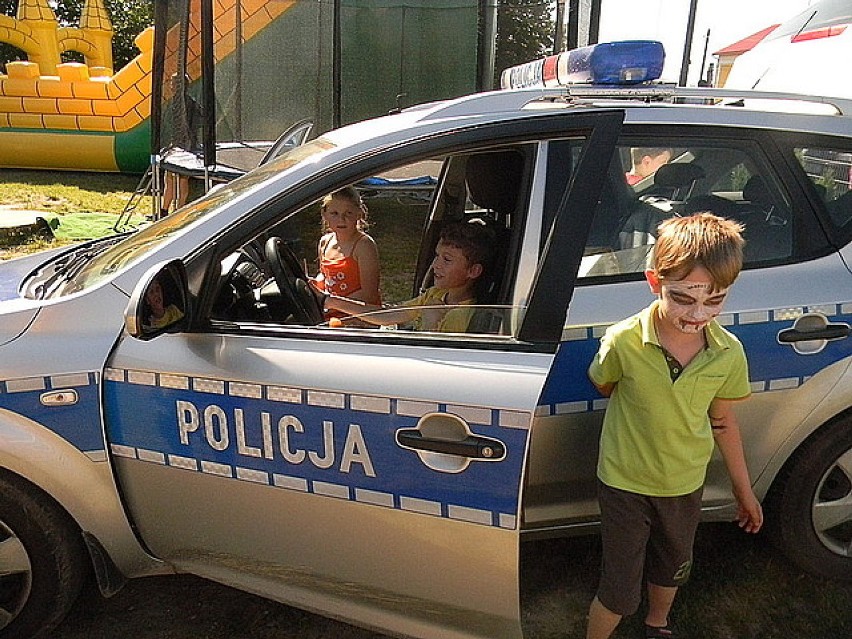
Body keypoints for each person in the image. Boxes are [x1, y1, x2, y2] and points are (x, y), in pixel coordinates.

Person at [585, 212, 763, 639]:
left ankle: (658, 624)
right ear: (654, 281)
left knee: (673, 565)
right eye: (683, 297)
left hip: (684, 483)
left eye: (715, 299)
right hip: (625, 482)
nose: (699, 313)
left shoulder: (727, 353)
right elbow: (607, 385)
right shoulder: (623, 340)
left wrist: (744, 490)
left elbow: (722, 422)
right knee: (619, 589)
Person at [322, 220, 494, 332]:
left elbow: (433, 364)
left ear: (473, 271)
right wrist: (331, 301)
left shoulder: (463, 316)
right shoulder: (435, 295)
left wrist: (430, 324)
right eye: (437, 256)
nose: (435, 265)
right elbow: (388, 315)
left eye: (447, 260)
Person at [313, 187, 381, 313]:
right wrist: (314, 285)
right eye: (334, 213)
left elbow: (369, 294)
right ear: (325, 214)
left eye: (348, 213)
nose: (341, 219)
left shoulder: (364, 246)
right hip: (331, 311)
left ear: (359, 214)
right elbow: (325, 276)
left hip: (359, 315)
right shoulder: (325, 242)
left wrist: (333, 305)